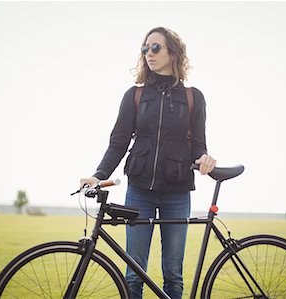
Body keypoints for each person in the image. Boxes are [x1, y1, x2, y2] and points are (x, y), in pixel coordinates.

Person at [80, 26, 216, 299]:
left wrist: (204, 157)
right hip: (139, 192)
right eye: (145, 49)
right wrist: (98, 175)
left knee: (173, 275)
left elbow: (198, 145)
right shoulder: (135, 95)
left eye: (156, 48)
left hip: (177, 194)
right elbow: (118, 143)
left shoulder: (193, 97)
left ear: (173, 52)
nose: (149, 53)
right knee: (134, 274)